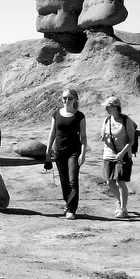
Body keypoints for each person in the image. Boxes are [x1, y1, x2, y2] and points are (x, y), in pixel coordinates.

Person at [45, 87, 87, 220]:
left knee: (72, 180)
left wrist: (83, 153)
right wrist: (48, 149)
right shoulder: (56, 113)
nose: (66, 101)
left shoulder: (79, 116)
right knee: (64, 181)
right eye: (64, 98)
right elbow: (52, 132)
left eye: (69, 98)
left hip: (74, 152)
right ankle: (68, 203)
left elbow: (84, 137)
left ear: (75, 100)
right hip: (59, 151)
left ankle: (71, 209)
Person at [100, 96, 136, 219]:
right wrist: (104, 138)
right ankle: (119, 201)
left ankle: (123, 208)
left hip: (123, 155)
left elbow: (131, 141)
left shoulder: (126, 121)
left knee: (120, 181)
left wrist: (122, 153)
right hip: (108, 154)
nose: (106, 108)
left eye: (108, 106)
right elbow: (103, 137)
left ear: (115, 107)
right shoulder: (106, 120)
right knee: (109, 181)